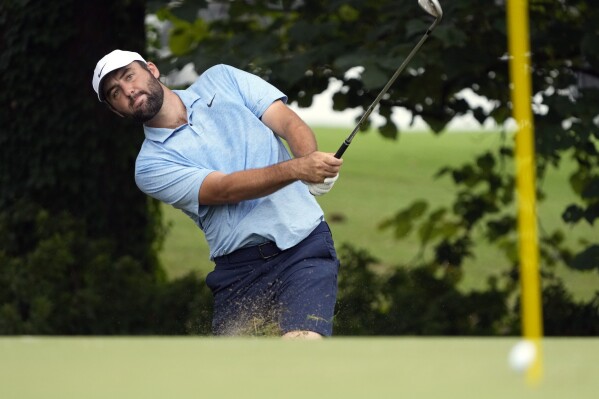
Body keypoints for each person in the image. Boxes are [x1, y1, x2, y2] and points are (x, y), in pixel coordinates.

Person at [92, 50, 343, 338]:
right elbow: (225, 190)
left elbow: (288, 122)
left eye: (129, 76)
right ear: (116, 110)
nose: (128, 90)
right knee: (236, 380)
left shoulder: (222, 79)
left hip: (304, 247)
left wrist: (311, 161)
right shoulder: (150, 167)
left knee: (301, 348)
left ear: (152, 69)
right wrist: (299, 169)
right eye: (115, 93)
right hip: (240, 272)